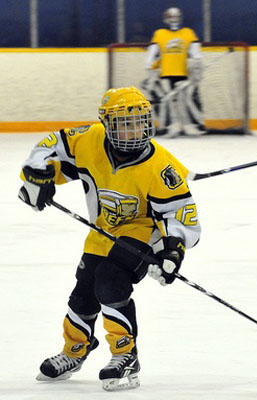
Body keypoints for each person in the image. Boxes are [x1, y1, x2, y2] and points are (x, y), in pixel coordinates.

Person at [18, 86, 201, 391]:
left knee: (110, 281)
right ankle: (74, 350)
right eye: (125, 123)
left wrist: (172, 251)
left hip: (144, 232)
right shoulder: (88, 140)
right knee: (83, 294)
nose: (134, 130)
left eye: (140, 121)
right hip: (102, 230)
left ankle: (125, 354)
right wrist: (38, 178)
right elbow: (48, 148)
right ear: (106, 124)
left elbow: (179, 215)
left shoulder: (161, 166)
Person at [142, 7, 205, 138]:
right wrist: (150, 69)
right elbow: (152, 54)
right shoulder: (160, 34)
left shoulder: (188, 33)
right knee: (169, 102)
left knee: (187, 100)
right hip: (167, 74)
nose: (174, 19)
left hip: (185, 74)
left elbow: (196, 53)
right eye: (171, 17)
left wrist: (197, 65)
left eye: (176, 17)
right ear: (166, 19)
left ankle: (191, 126)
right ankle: (172, 126)